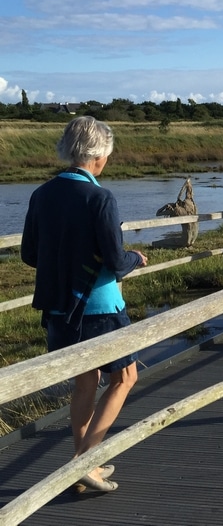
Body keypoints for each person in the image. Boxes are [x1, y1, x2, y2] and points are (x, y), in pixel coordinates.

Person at [20, 116, 148, 494]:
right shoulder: (100, 197)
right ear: (100, 155)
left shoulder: (42, 194)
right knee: (125, 377)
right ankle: (83, 462)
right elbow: (113, 259)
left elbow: (30, 254)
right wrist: (135, 258)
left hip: (59, 307)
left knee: (84, 383)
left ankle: (82, 466)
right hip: (100, 308)